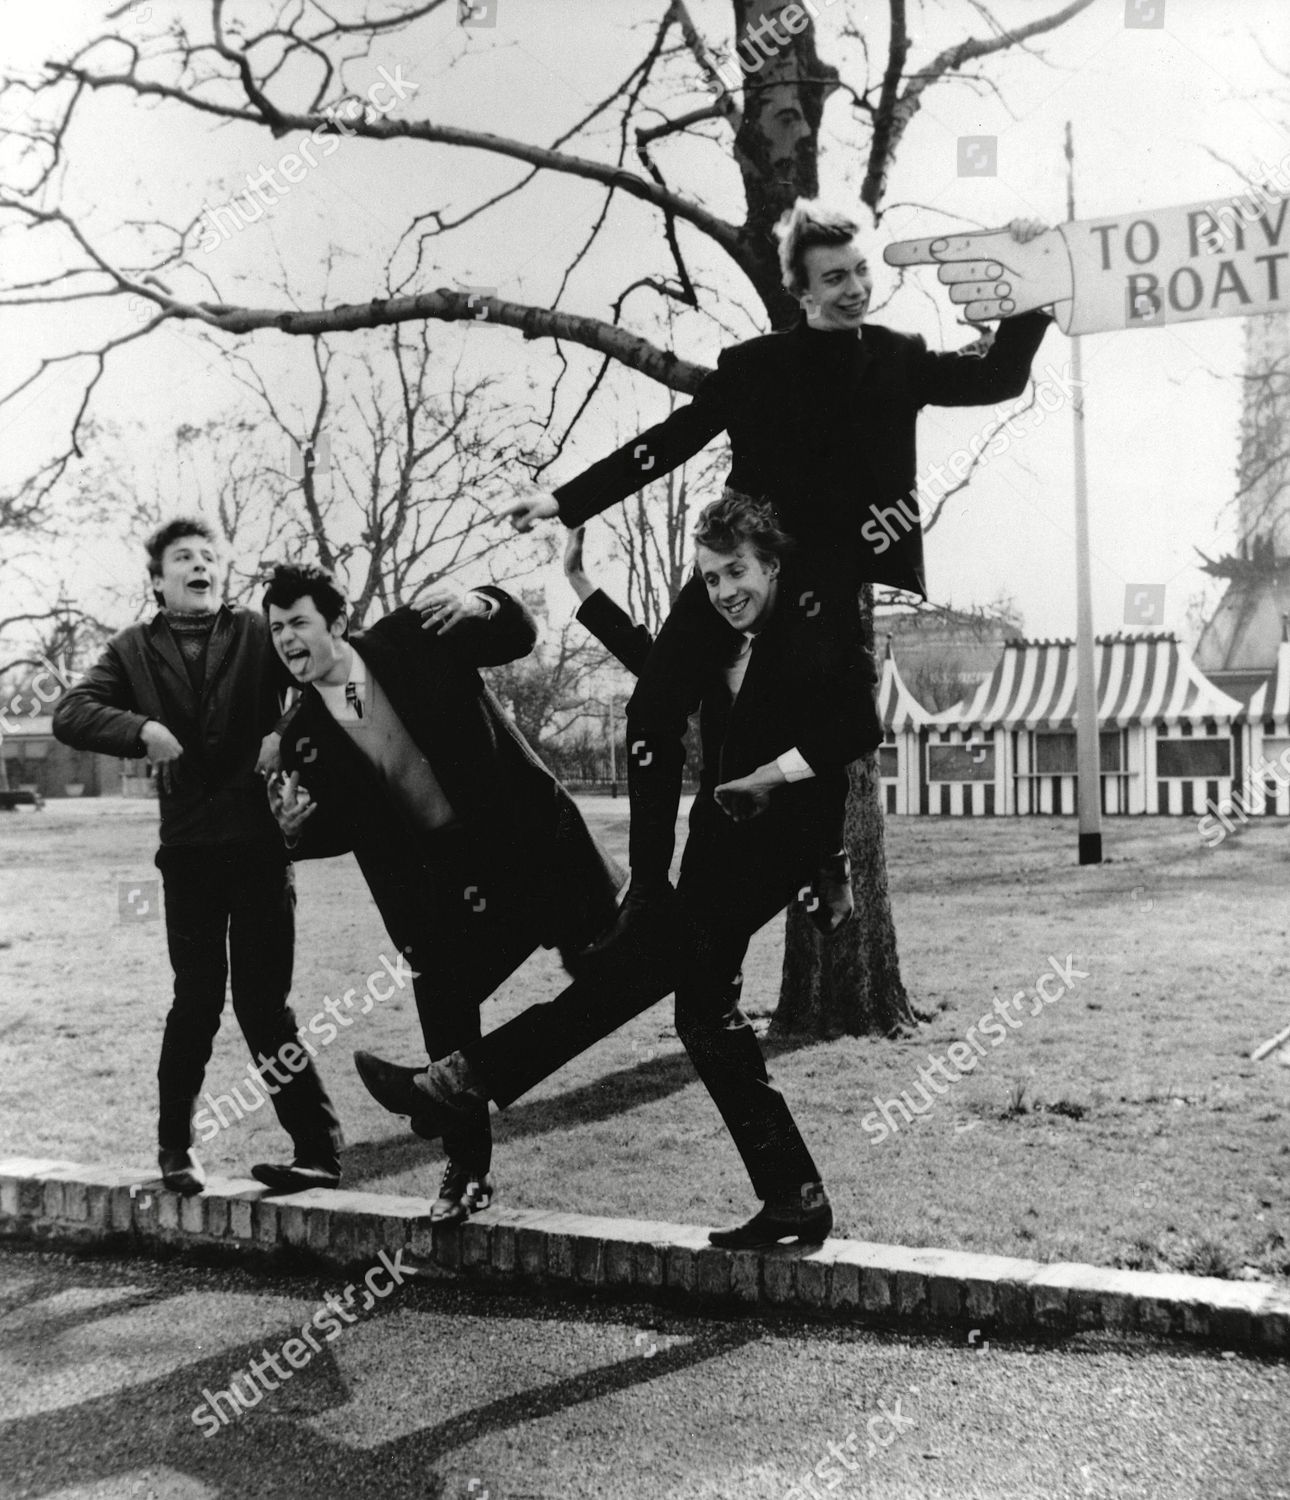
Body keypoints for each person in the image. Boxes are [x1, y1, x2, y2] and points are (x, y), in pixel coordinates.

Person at [500, 200, 1052, 959]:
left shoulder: (897, 357)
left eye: (861, 270)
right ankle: (648, 891)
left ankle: (825, 856)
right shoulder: (753, 367)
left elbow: (999, 376)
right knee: (652, 708)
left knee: (820, 715)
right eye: (835, 278)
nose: (856, 287)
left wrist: (1032, 282)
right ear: (802, 290)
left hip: (823, 573)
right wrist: (564, 499)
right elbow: (668, 442)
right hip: (744, 557)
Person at [356, 491, 877, 1247]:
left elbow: (859, 723)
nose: (726, 591)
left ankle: (463, 1079)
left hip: (784, 839)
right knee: (701, 1012)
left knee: (641, 969)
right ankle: (794, 1196)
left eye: (738, 573)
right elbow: (649, 663)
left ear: (772, 565)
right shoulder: (708, 629)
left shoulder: (815, 625)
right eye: (710, 578)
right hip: (721, 839)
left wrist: (778, 782)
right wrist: (577, 582)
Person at [263, 563, 624, 1224]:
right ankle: (467, 1174)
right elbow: (345, 825)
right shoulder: (304, 736)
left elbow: (518, 632)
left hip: (532, 849)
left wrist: (481, 604)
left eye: (299, 623)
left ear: (336, 623)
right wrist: (295, 834)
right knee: (444, 1001)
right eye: (277, 627)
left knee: (618, 975)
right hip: (448, 887)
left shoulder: (412, 636)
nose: (287, 638)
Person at [52, 519, 343, 1197]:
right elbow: (72, 712)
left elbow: (323, 671)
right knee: (196, 1001)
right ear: (158, 579)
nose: (199, 565)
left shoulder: (254, 633)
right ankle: (175, 1150)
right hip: (186, 855)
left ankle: (317, 1152)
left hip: (262, 848)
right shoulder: (130, 648)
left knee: (265, 1006)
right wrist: (140, 729)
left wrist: (286, 734)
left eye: (209, 557)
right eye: (184, 558)